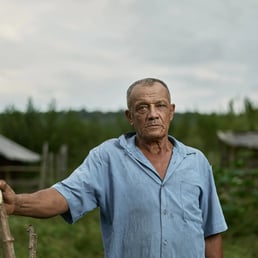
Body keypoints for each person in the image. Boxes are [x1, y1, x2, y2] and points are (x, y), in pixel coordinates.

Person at [0, 78, 227, 258]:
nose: (152, 114)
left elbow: (211, 232)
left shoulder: (196, 161)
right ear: (130, 116)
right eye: (142, 108)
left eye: (160, 105)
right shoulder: (107, 158)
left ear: (171, 111)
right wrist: (17, 203)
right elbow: (64, 196)